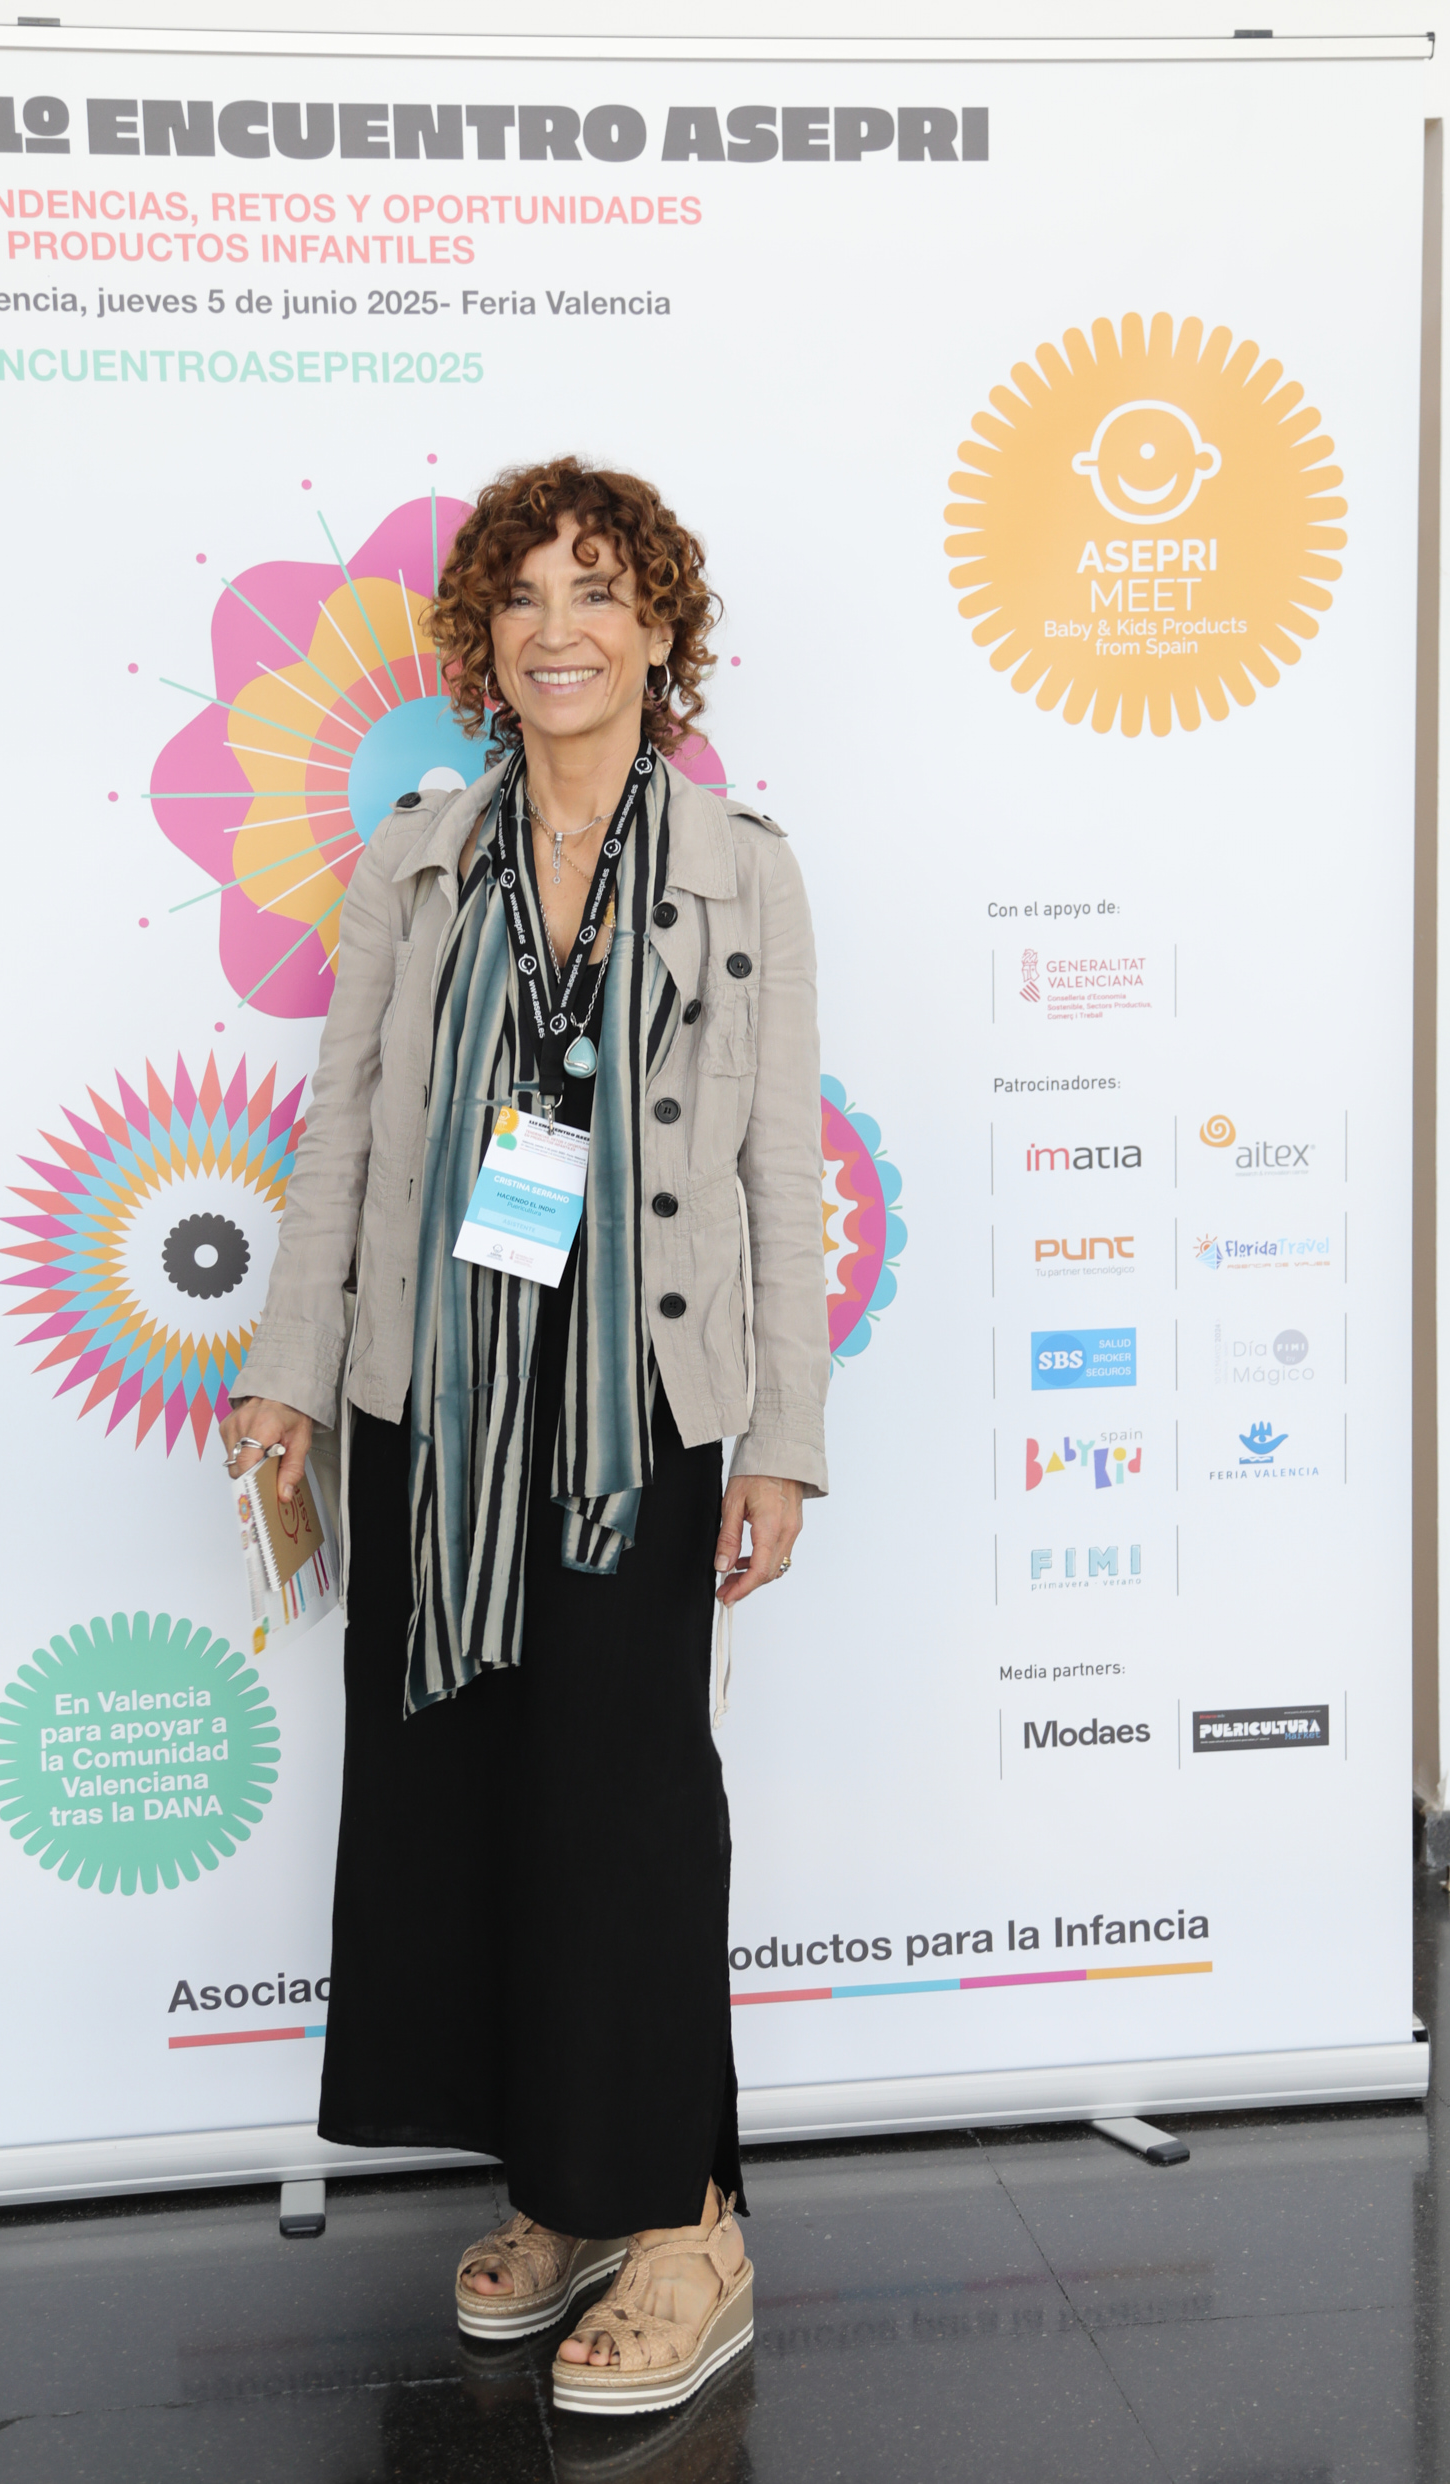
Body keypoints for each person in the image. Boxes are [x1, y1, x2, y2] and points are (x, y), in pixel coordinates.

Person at [225, 457, 827, 2417]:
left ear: (660, 631)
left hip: (638, 1415)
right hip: (437, 1402)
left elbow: (776, 1170)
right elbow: (340, 1136)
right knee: (471, 1805)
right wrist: (289, 1369)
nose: (560, 630)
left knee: (628, 1812)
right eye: (523, 598)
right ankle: (565, 2192)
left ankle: (689, 2222)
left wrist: (782, 1437)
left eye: (599, 592)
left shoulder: (742, 867)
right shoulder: (417, 859)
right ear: (483, 642)